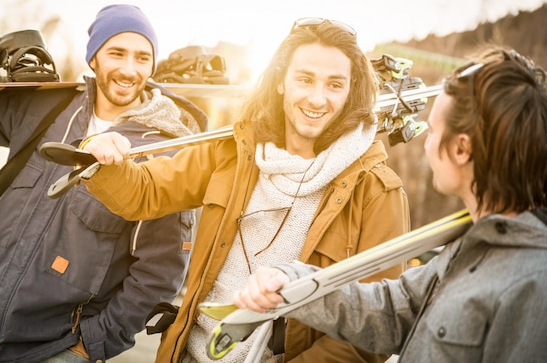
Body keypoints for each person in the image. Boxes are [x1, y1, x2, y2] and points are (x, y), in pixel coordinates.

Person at [80, 18, 411, 362]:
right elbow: (143, 192)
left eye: (334, 85)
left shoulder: (377, 190)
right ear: (281, 82)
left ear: (349, 92)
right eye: (304, 79)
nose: (317, 98)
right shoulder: (234, 151)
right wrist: (103, 154)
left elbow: (373, 331)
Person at [0, 4, 207, 362]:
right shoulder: (47, 111)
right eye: (116, 53)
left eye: (142, 57)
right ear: (94, 58)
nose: (129, 69)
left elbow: (160, 273)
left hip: (53, 350)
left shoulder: (163, 152)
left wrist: (90, 346)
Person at [233, 45, 547, 362]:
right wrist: (295, 283)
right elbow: (393, 310)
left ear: (462, 149)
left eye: (435, 131)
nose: (427, 142)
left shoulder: (532, 285)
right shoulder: (471, 244)